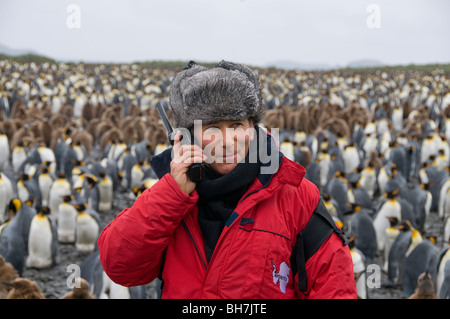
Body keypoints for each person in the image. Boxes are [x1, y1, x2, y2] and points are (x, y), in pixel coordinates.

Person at [97, 60, 357, 299]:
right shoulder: (170, 198)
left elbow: (334, 286)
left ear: (253, 129)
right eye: (211, 128)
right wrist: (172, 195)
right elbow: (121, 267)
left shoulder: (295, 195)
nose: (226, 140)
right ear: (187, 137)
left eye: (236, 125)